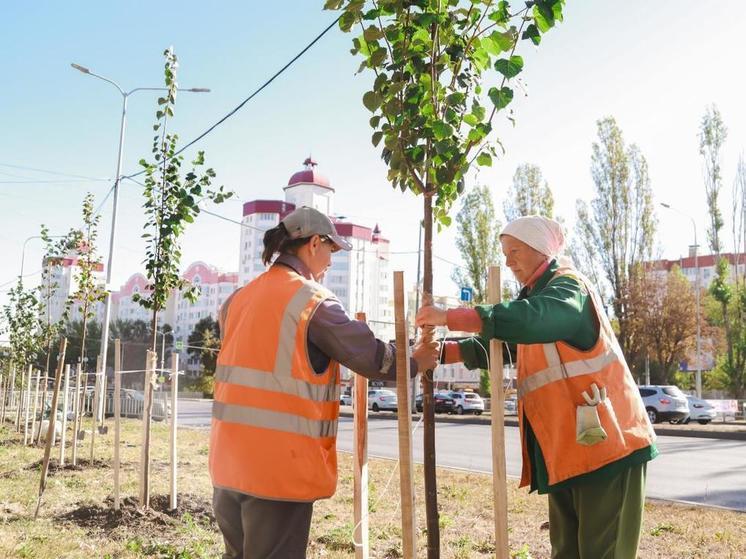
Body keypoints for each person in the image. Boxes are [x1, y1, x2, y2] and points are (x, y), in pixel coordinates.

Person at [416, 215, 657, 559]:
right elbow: (505, 346)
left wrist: (451, 317)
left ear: (542, 251)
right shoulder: (534, 299)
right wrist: (443, 352)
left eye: (515, 250)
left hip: (611, 448)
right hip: (570, 451)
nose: (508, 260)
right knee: (566, 552)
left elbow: (533, 318)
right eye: (504, 252)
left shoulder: (567, 288)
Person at [210, 206, 439, 559]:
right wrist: (415, 360)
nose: (331, 262)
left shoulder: (237, 299)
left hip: (227, 465)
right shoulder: (310, 301)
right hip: (277, 472)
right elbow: (371, 357)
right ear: (314, 243)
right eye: (331, 251)